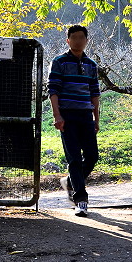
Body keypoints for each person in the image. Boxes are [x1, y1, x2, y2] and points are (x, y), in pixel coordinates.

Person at [48, 25, 100, 217]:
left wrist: (96, 118)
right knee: (74, 159)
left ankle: (70, 182)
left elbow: (95, 93)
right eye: (74, 37)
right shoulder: (59, 62)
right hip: (67, 116)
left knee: (92, 156)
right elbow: (53, 90)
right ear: (68, 40)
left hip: (86, 115)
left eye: (81, 37)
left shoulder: (91, 65)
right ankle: (81, 200)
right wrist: (57, 116)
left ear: (86, 40)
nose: (78, 41)